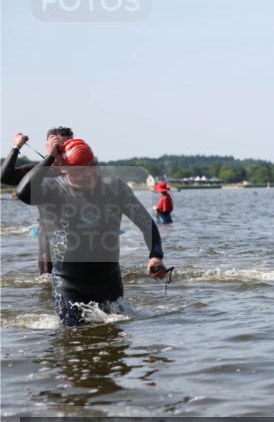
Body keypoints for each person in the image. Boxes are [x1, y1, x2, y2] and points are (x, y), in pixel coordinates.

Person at [14, 138, 169, 326]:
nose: (87, 174)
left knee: (114, 341)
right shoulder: (53, 188)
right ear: (63, 168)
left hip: (108, 281)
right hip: (68, 283)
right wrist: (49, 158)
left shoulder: (115, 188)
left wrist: (155, 255)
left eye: (90, 167)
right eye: (78, 171)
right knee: (71, 340)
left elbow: (145, 223)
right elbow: (22, 192)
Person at [1, 127, 74, 273]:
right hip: (49, 237)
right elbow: (4, 177)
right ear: (48, 147)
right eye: (57, 148)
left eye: (67, 147)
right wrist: (17, 147)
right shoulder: (36, 171)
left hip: (80, 236)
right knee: (47, 282)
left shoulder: (81, 172)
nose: (62, 152)